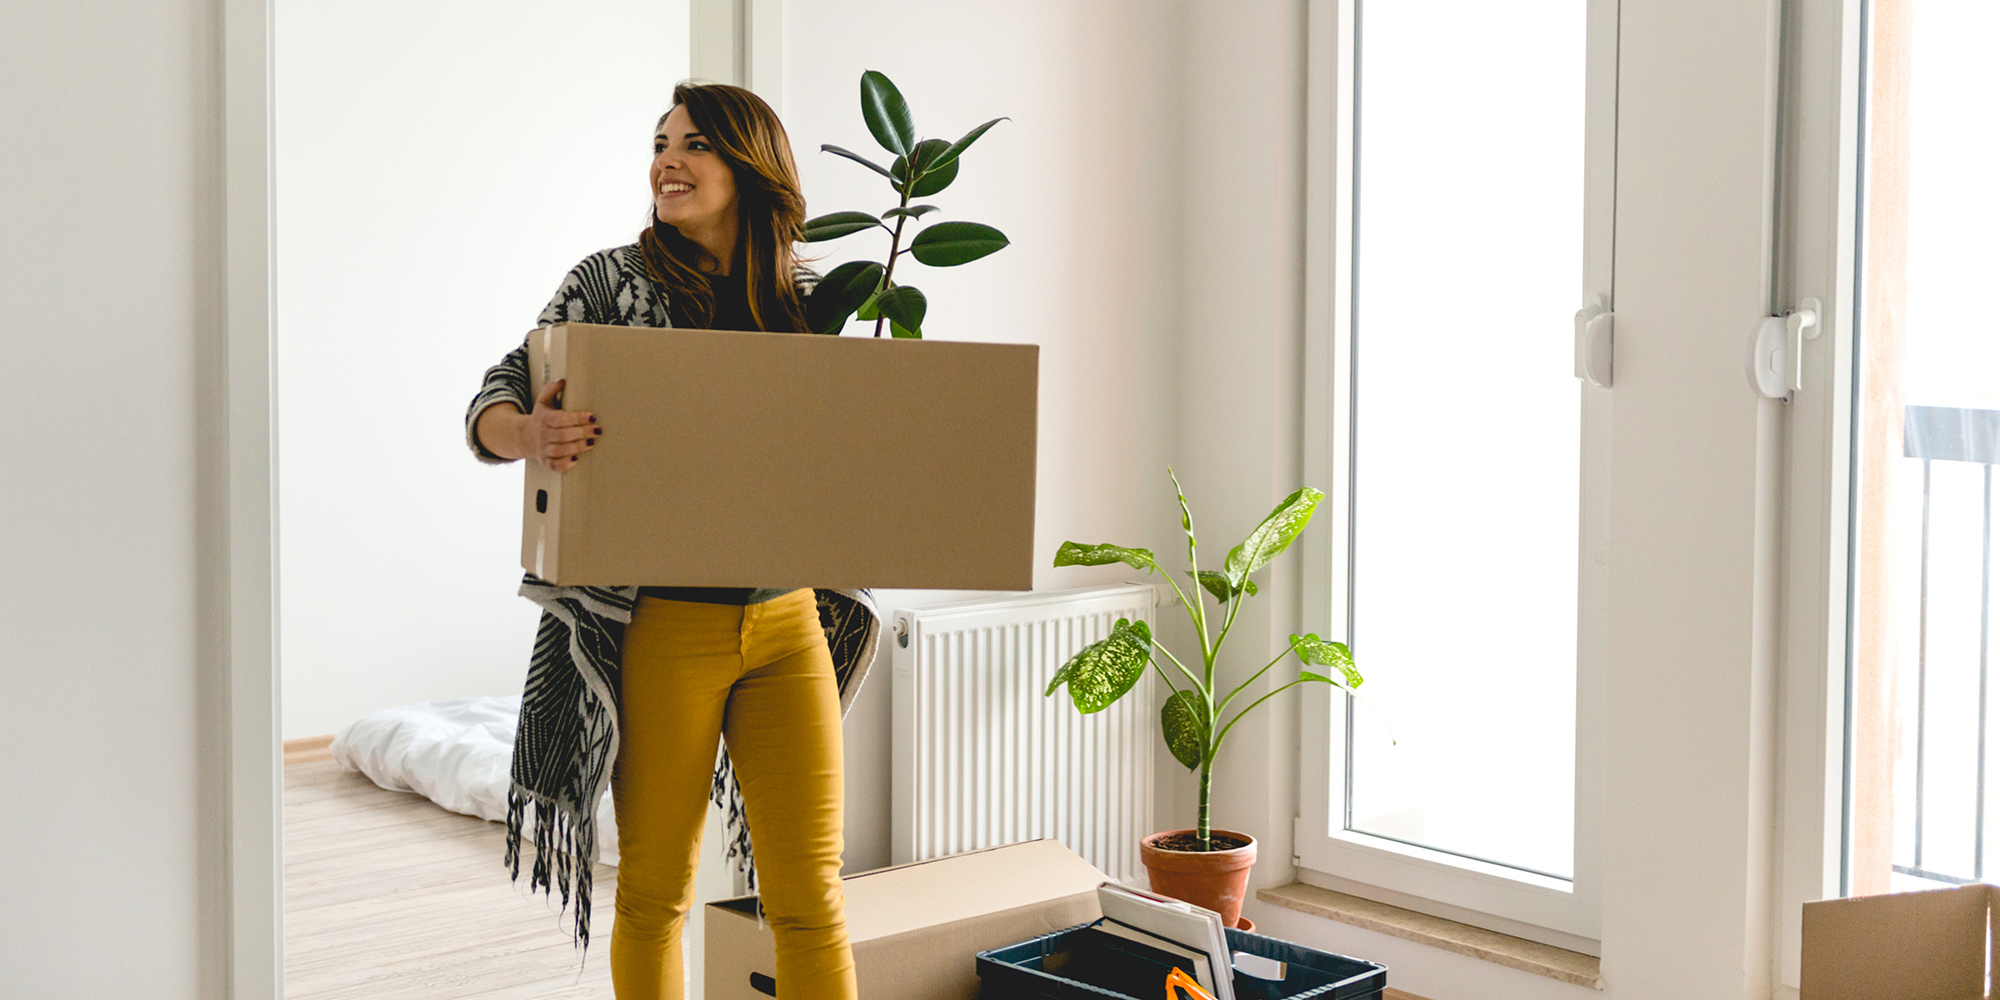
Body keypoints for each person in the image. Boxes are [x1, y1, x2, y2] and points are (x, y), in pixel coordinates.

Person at [463, 82, 878, 1000]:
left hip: (789, 620)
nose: (667, 160)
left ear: (752, 164)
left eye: (695, 143)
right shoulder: (607, 282)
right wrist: (526, 432)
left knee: (810, 896)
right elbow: (497, 389)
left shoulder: (814, 296)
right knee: (656, 896)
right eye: (660, 143)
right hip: (660, 631)